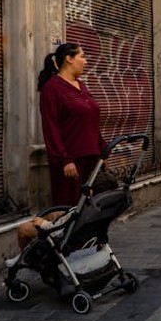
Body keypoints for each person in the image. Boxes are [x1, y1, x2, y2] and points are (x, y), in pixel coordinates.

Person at [37, 42, 106, 207]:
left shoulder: (81, 85)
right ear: (69, 59)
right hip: (71, 163)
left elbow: (91, 122)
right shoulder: (52, 88)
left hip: (92, 158)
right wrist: (65, 160)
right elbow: (50, 128)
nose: (86, 61)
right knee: (70, 209)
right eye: (82, 56)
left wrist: (103, 151)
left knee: (92, 209)